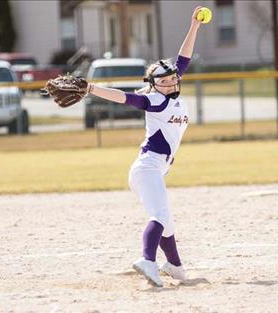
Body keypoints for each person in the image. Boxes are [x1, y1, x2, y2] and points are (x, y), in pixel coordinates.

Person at [85, 7, 204, 286]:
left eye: (173, 78)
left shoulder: (171, 91)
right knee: (160, 215)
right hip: (147, 166)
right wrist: (91, 88)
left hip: (155, 168)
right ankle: (147, 261)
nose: (172, 81)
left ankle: (174, 265)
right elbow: (122, 97)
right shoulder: (154, 100)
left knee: (168, 222)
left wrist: (194, 26)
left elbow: (183, 58)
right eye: (164, 81)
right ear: (154, 85)